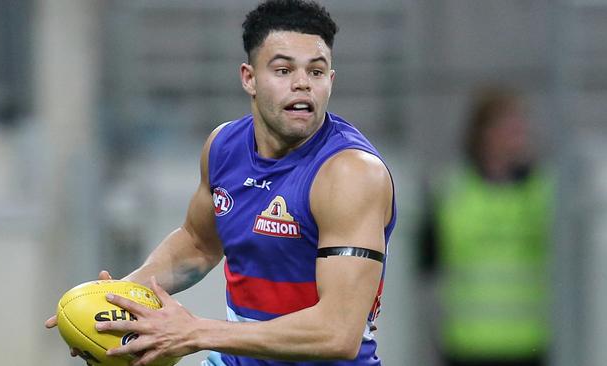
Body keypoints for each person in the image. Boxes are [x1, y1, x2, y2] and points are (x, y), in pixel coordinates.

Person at [45, 1, 397, 365]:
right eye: (283, 70)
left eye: (317, 71)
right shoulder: (224, 146)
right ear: (249, 78)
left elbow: (338, 332)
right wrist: (117, 299)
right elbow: (198, 243)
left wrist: (194, 332)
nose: (302, 83)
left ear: (331, 81)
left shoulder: (351, 173)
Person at [417, 85, 553, 366]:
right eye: (509, 129)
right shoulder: (450, 189)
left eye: (520, 129)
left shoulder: (543, 191)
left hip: (529, 346)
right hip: (466, 346)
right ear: (483, 133)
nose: (518, 138)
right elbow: (424, 260)